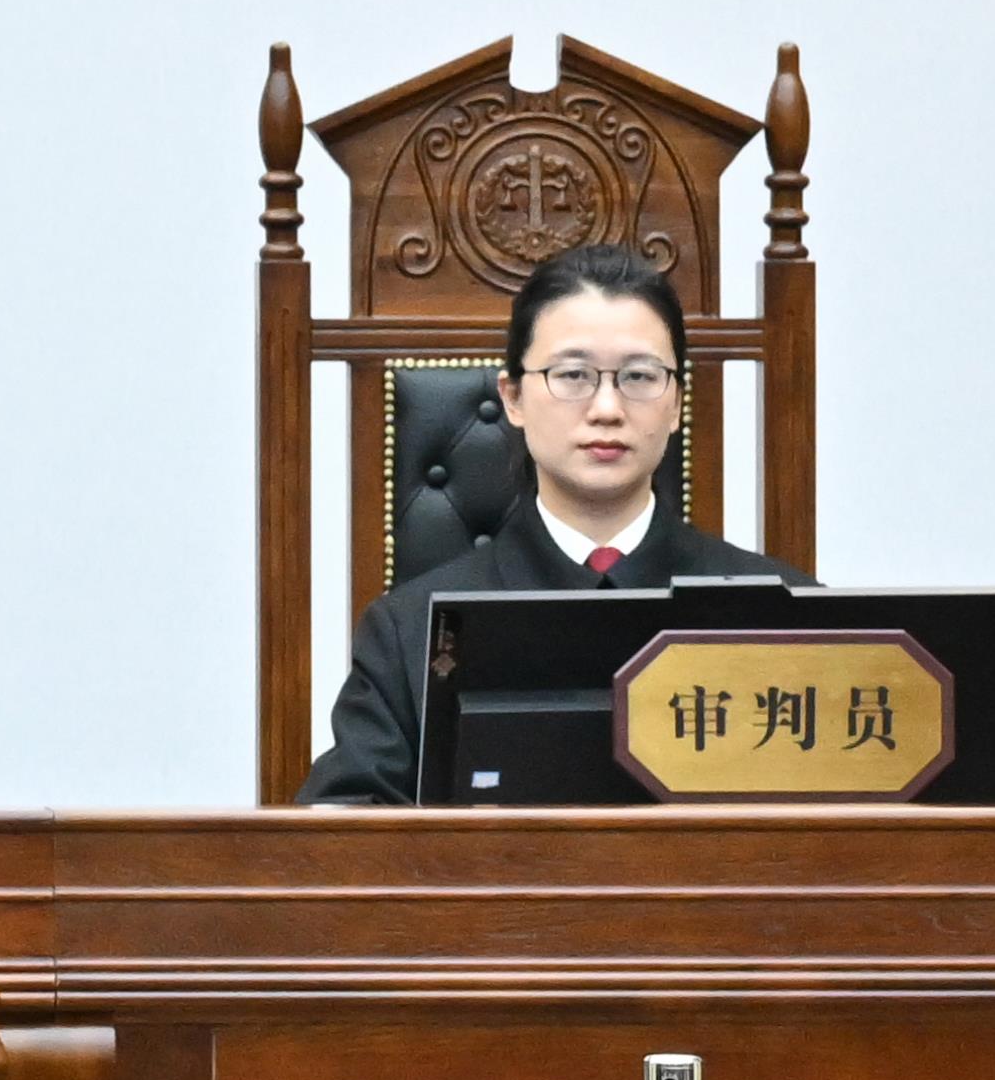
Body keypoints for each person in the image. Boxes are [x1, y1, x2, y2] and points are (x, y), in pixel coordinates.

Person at [303, 238, 801, 807]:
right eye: (573, 375)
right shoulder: (408, 631)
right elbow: (344, 830)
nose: (607, 409)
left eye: (640, 377)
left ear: (677, 403)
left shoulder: (789, 616)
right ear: (513, 397)